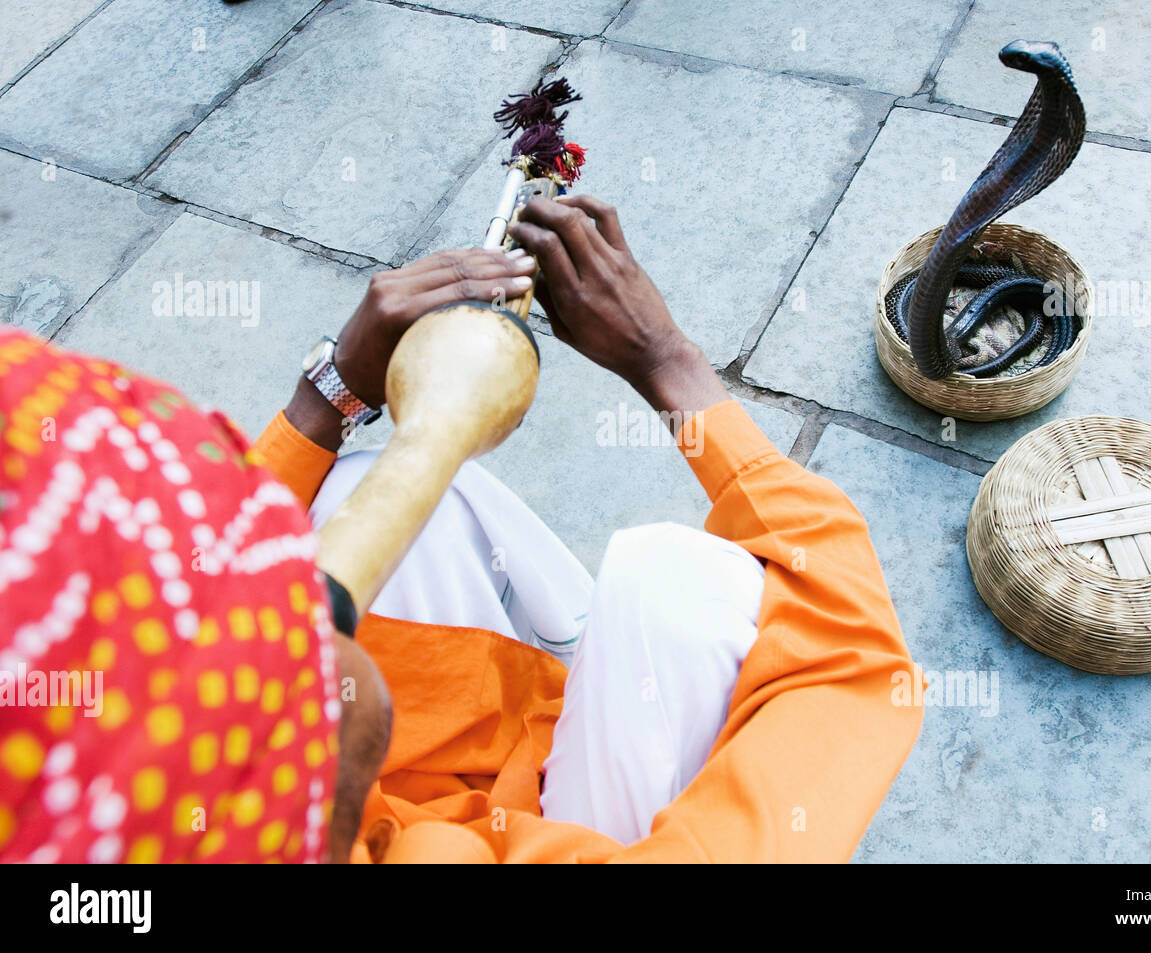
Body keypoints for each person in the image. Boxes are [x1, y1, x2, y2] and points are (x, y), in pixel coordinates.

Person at [0, 194, 922, 863]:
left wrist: (324, 401)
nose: (289, 594)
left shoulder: (129, 831)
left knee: (356, 483)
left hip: (427, 787)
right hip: (566, 832)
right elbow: (859, 665)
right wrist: (669, 365)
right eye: (242, 636)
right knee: (682, 583)